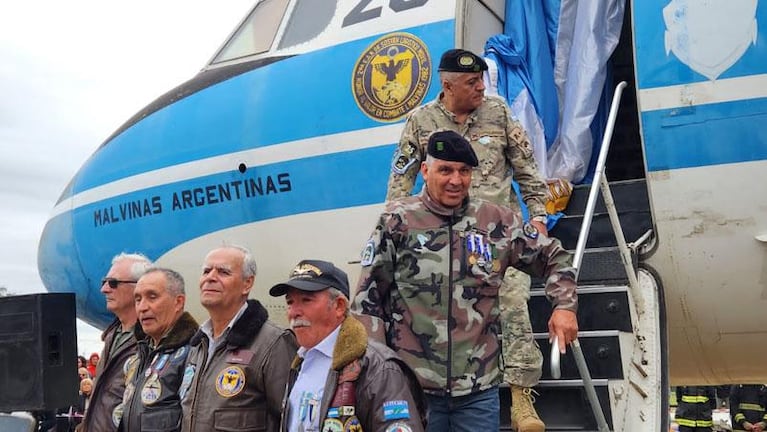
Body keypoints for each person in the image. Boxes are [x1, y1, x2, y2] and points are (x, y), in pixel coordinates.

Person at [353, 131, 578, 432]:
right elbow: (367, 301)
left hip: (477, 393)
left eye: (464, 171)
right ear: (425, 171)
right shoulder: (398, 222)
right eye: (445, 170)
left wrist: (564, 306)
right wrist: (378, 372)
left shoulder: (496, 222)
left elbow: (554, 257)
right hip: (411, 390)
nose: (455, 180)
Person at [385, 48, 550, 431]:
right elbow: (401, 181)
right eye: (472, 82)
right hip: (441, 238)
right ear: (448, 85)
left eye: (481, 80)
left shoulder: (498, 113)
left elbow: (527, 169)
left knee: (511, 301)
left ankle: (521, 397)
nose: (480, 87)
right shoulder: (421, 122)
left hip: (495, 237)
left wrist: (538, 217)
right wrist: (398, 228)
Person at [269, 259, 427, 432]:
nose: (293, 312)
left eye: (306, 300)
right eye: (290, 302)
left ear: (339, 306)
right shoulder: (300, 361)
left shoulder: (379, 369)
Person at [180, 245, 297, 432]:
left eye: (223, 272)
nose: (210, 277)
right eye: (206, 271)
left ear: (247, 284)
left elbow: (290, 418)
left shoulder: (273, 342)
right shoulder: (199, 344)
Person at [118, 267, 199, 432]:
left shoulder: (194, 352)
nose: (142, 307)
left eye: (152, 297)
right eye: (138, 299)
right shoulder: (141, 353)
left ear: (178, 302)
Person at [78, 252, 152, 432]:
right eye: (104, 282)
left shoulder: (153, 341)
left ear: (139, 287)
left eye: (113, 283)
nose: (104, 289)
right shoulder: (113, 335)